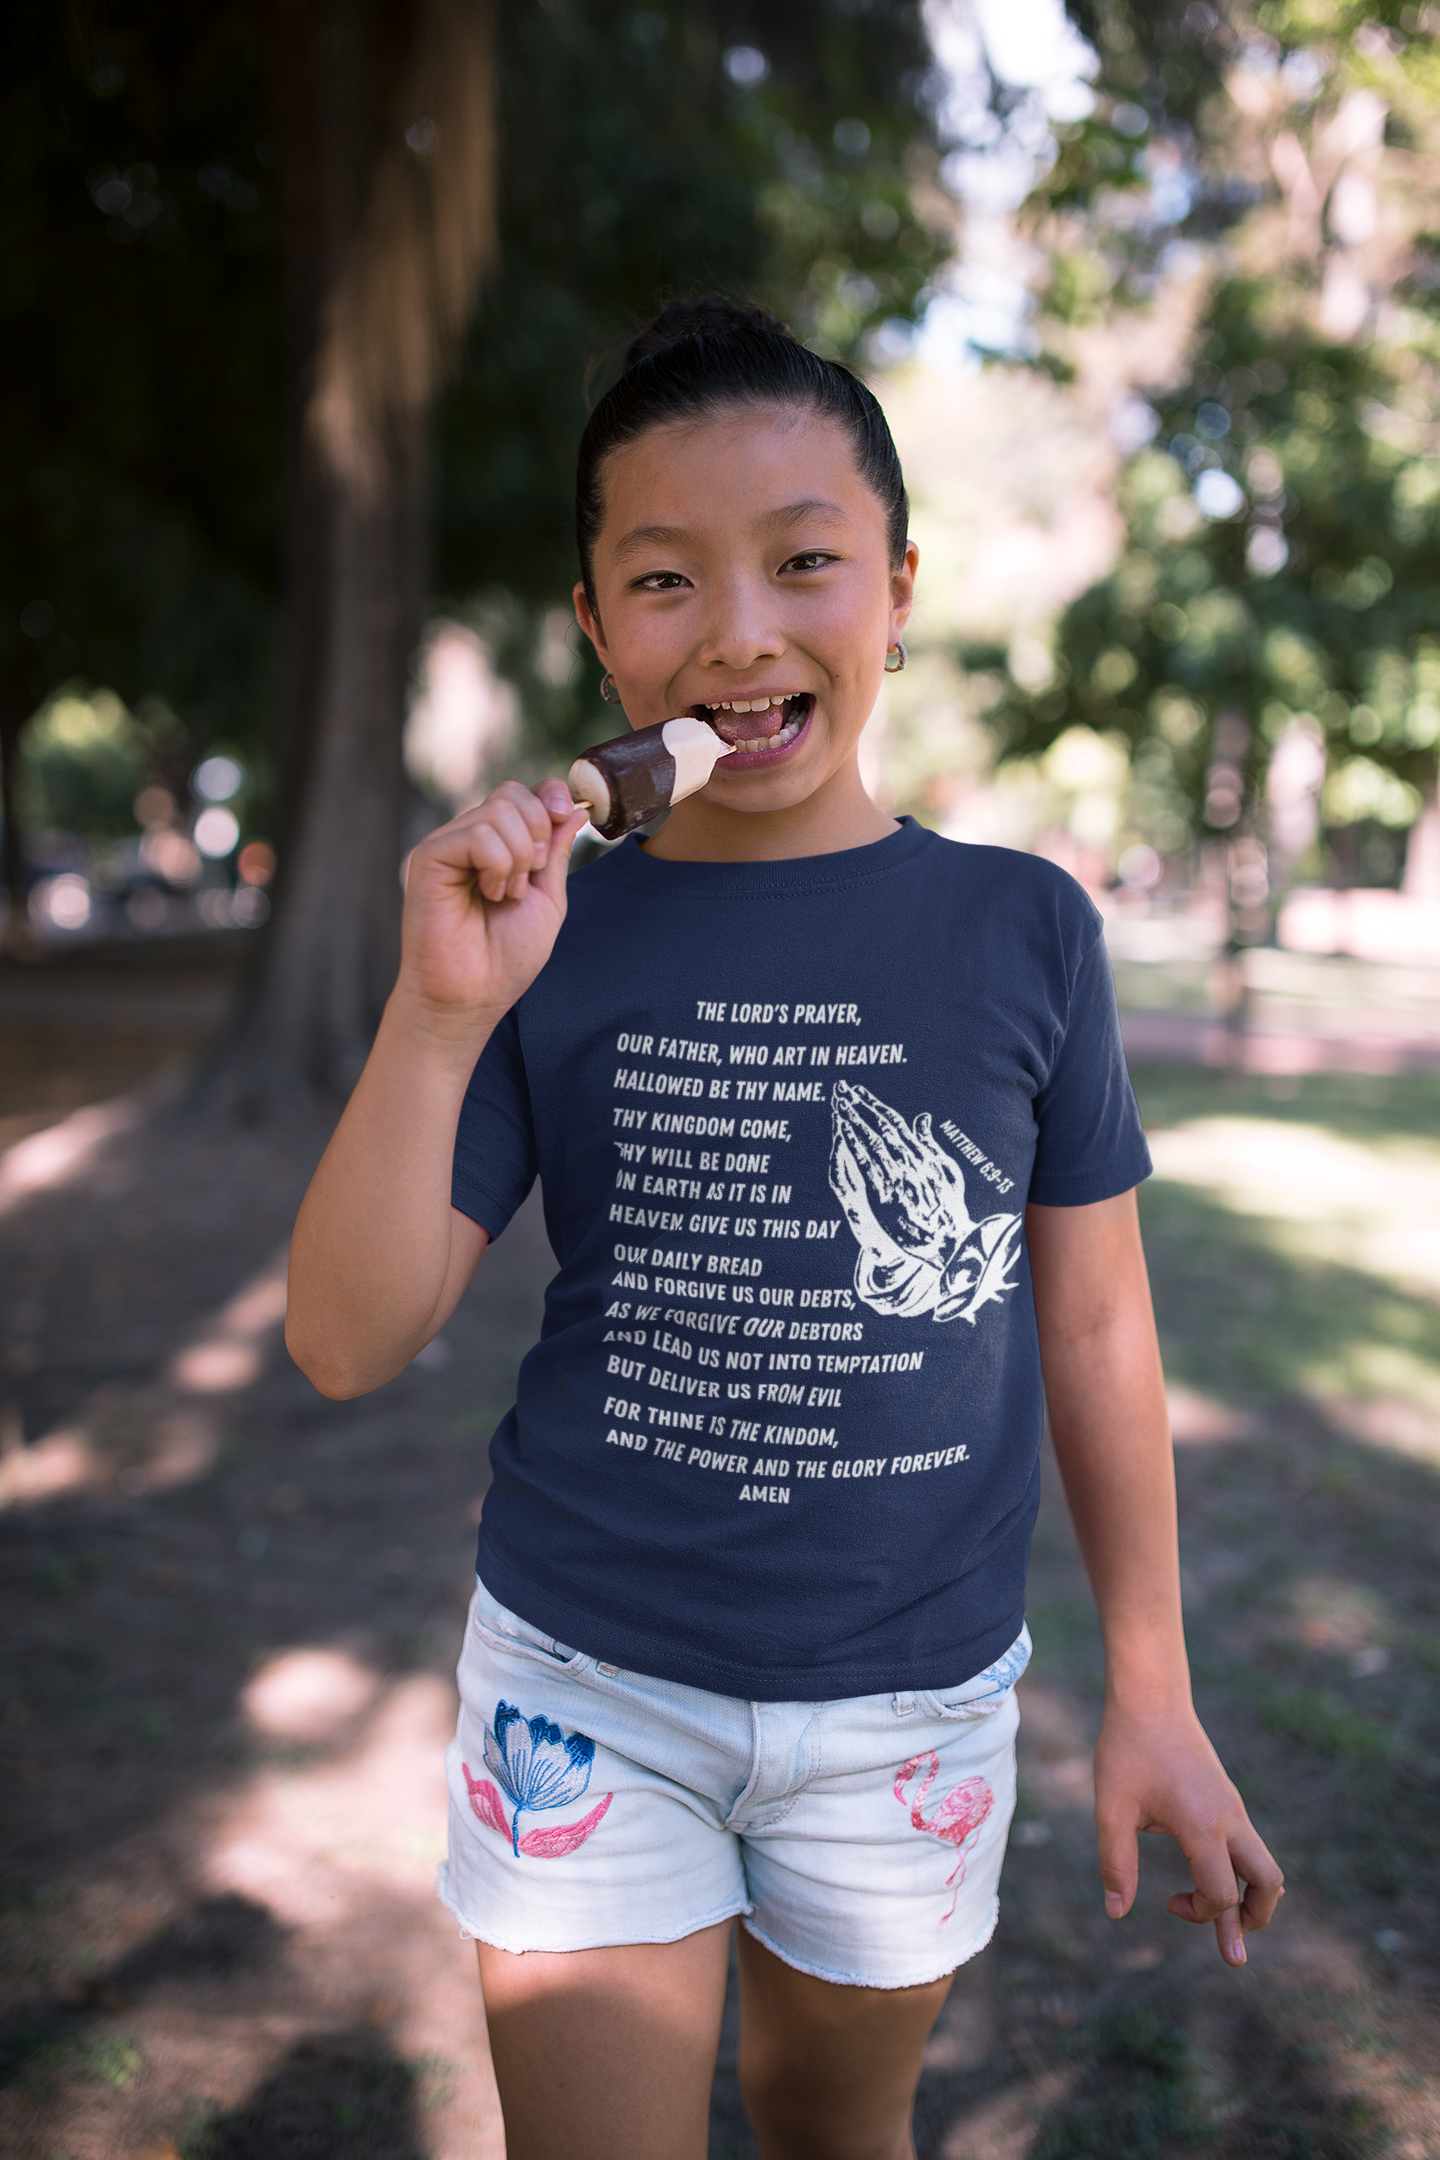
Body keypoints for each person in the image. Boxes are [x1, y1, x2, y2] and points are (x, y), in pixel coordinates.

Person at [285, 295, 1283, 2160]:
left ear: (896, 592)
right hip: (587, 1688)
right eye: (666, 580)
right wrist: (437, 1016)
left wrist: (1151, 1690)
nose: (738, 630)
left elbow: (1092, 1328)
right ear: (598, 629)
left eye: (805, 561)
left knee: (839, 2133)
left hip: (909, 1708)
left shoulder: (1026, 929)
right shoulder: (549, 935)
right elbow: (344, 1340)